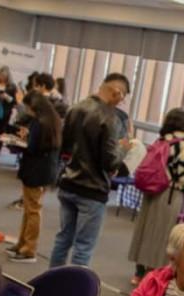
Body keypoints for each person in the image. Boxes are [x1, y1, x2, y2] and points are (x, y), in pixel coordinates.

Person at [49, 73, 130, 268]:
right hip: (92, 189)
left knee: (63, 239)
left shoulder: (75, 108)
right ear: (116, 92)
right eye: (123, 96)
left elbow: (64, 147)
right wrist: (124, 149)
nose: (122, 101)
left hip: (68, 182)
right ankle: (77, 287)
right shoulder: (110, 118)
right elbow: (110, 162)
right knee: (83, 248)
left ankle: (51, 280)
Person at [127, 108, 184, 284]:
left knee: (145, 230)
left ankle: (138, 273)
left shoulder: (161, 141)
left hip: (151, 191)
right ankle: (153, 275)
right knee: (162, 235)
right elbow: (182, 176)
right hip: (170, 195)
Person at [7, 92, 61, 263]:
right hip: (45, 170)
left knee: (32, 210)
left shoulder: (39, 122)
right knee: (30, 208)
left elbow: (32, 147)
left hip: (35, 170)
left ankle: (29, 249)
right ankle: (22, 243)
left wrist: (17, 141)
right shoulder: (52, 121)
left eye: (28, 107)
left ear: (34, 106)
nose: (27, 110)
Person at [0, 65, 16, 166]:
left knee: (0, 136)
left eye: (4, 76)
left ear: (7, 76)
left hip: (4, 115)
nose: (2, 77)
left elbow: (14, 102)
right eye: (0, 75)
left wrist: (6, 97)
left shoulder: (12, 87)